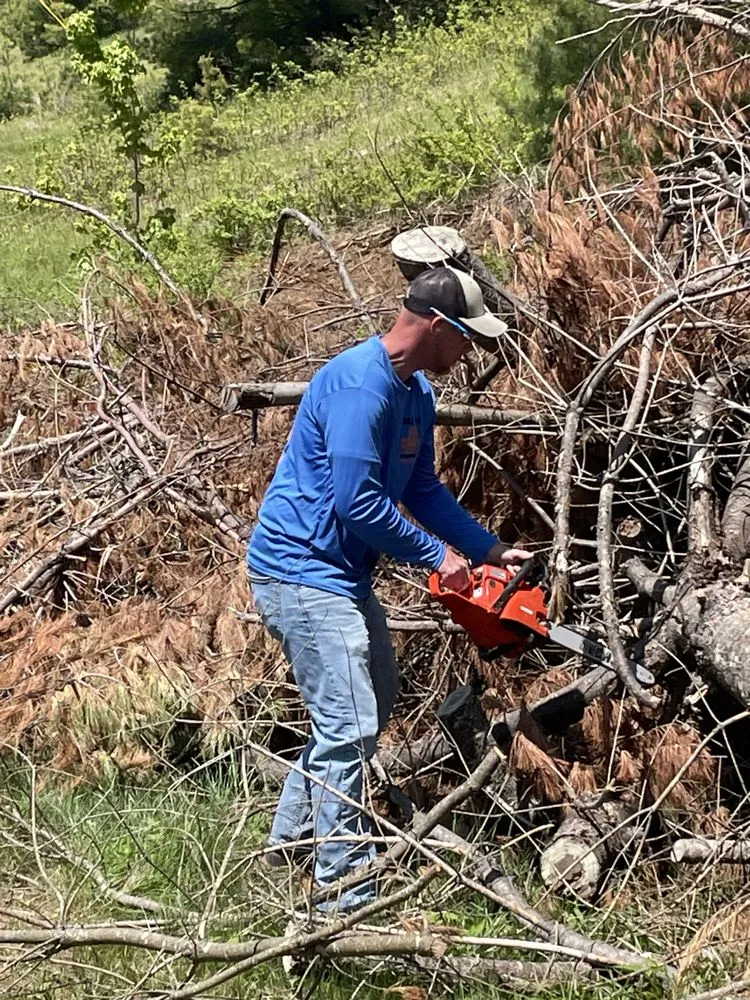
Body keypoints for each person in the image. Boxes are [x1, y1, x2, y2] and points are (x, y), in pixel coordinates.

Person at [247, 264, 531, 911]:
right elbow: (357, 503)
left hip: (340, 577)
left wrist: (485, 549)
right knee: (349, 725)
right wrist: (437, 557)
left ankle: (285, 853)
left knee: (371, 701)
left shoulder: (415, 393)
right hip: (298, 573)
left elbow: (421, 490)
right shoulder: (359, 387)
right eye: (468, 339)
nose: (472, 353)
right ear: (437, 326)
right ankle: (344, 901)